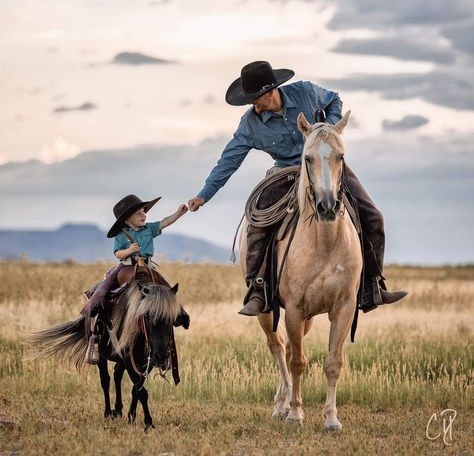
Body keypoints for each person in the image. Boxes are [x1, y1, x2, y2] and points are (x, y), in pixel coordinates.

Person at [188, 60, 407, 316]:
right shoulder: (250, 124)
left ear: (271, 92)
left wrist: (327, 130)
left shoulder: (305, 92)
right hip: (285, 172)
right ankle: (258, 289)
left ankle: (373, 285)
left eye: (255, 99)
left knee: (373, 216)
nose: (253, 105)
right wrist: (203, 195)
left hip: (326, 165)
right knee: (258, 221)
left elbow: (334, 99)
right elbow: (228, 161)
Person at [83, 193, 189, 364]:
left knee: (168, 290)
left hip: (147, 266)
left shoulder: (149, 229)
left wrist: (178, 213)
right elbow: (117, 253)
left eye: (143, 211)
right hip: (126, 266)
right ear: (127, 220)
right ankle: (93, 322)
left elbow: (165, 222)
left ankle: (180, 314)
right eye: (138, 213)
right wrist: (129, 251)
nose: (143, 214)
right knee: (104, 288)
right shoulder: (121, 235)